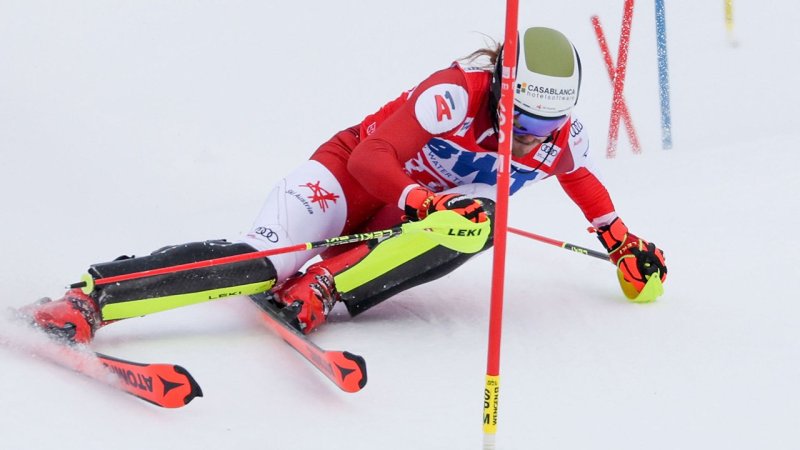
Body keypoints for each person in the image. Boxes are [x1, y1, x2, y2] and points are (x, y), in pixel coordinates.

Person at [24, 27, 667, 344]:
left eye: (548, 125)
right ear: (503, 90)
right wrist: (420, 199)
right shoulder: (452, 95)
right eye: (522, 120)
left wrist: (621, 243)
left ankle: (321, 287)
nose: (532, 139)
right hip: (346, 181)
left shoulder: (560, 137)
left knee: (477, 222)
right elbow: (370, 161)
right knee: (261, 263)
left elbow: (580, 180)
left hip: (397, 223)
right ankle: (93, 298)